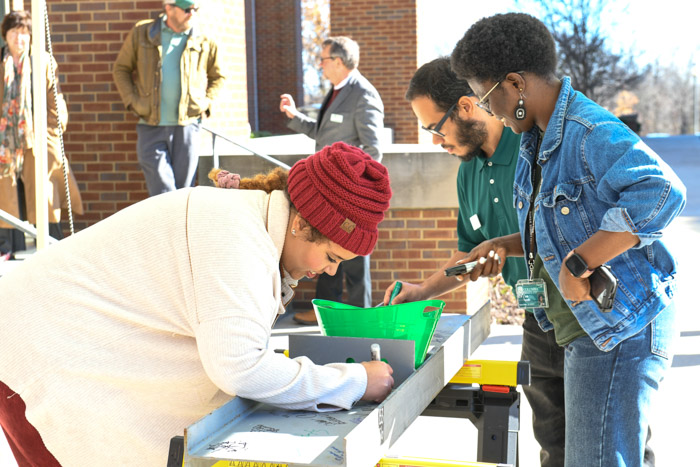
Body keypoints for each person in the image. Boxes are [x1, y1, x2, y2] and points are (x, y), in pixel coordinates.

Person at [0, 141, 395, 466]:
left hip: (55, 339)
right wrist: (355, 380)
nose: (327, 273)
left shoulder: (245, 221)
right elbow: (239, 368)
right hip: (37, 352)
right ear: (301, 224)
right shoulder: (238, 240)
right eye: (331, 258)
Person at [451, 13, 685, 467]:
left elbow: (663, 192)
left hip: (620, 327)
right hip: (585, 329)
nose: (489, 110)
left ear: (515, 84)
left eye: (486, 96)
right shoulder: (534, 141)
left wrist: (579, 264)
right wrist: (506, 242)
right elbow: (558, 225)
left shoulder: (587, 131)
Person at [385, 56, 572, 465]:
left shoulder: (534, 145)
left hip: (581, 316)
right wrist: (422, 290)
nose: (436, 141)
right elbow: (468, 252)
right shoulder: (467, 171)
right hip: (536, 321)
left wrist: (505, 247)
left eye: (436, 128)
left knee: (608, 443)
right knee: (554, 446)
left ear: (466, 107)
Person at [280, 36, 384, 324]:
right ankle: (324, 314)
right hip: (328, 195)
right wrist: (294, 116)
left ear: (338, 61)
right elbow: (323, 132)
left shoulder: (363, 94)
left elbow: (373, 151)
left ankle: (360, 318)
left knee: (353, 260)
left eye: (323, 60)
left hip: (349, 198)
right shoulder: (337, 91)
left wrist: (346, 189)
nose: (320, 66)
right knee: (323, 251)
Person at [113, 0, 225, 196]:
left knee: (184, 193)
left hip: (188, 127)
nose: (192, 13)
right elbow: (121, 69)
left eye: (195, 9)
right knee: (162, 192)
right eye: (187, 9)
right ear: (169, 8)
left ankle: (179, 228)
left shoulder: (204, 39)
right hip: (150, 126)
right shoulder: (143, 32)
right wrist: (132, 102)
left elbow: (218, 77)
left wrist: (205, 103)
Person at [0, 10, 83, 257]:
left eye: (24, 33)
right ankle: (7, 246)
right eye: (15, 32)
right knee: (6, 191)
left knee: (44, 190)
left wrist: (52, 132)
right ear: (6, 35)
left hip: (36, 135)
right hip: (6, 138)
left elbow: (54, 100)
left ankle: (51, 245)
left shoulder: (43, 61)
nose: (19, 39)